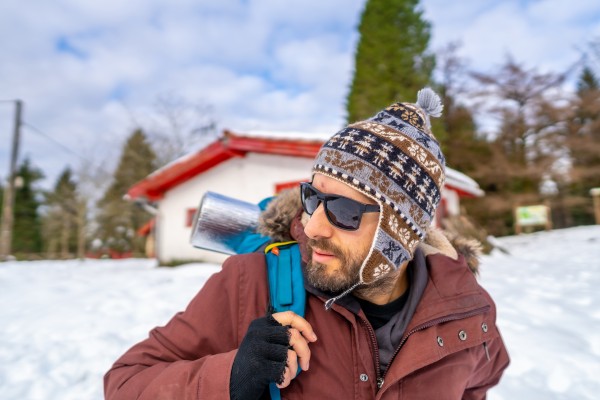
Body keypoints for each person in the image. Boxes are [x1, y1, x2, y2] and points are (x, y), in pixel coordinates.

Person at [104, 88, 509, 399]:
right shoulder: (251, 282)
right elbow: (125, 383)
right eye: (312, 198)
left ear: (399, 234)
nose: (312, 226)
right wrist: (229, 377)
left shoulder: (465, 309)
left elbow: (478, 384)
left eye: (344, 211)